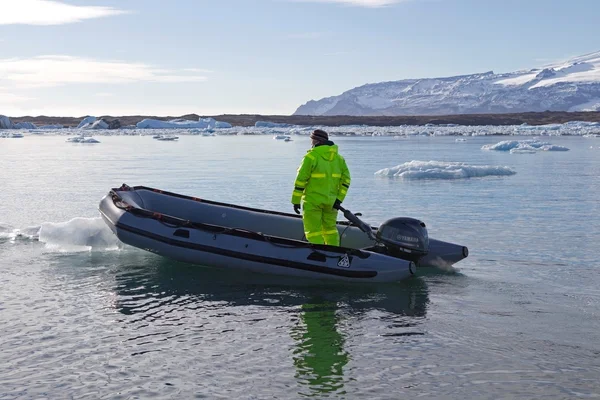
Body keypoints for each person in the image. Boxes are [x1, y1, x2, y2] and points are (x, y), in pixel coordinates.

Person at [291, 129, 351, 246]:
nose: (311, 142)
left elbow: (301, 181)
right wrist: (339, 199)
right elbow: (346, 181)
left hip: (313, 201)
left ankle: (319, 255)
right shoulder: (339, 159)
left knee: (313, 232)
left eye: (312, 140)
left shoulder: (311, 157)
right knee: (330, 230)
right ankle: (334, 254)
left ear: (317, 141)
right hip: (332, 202)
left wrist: (295, 201)